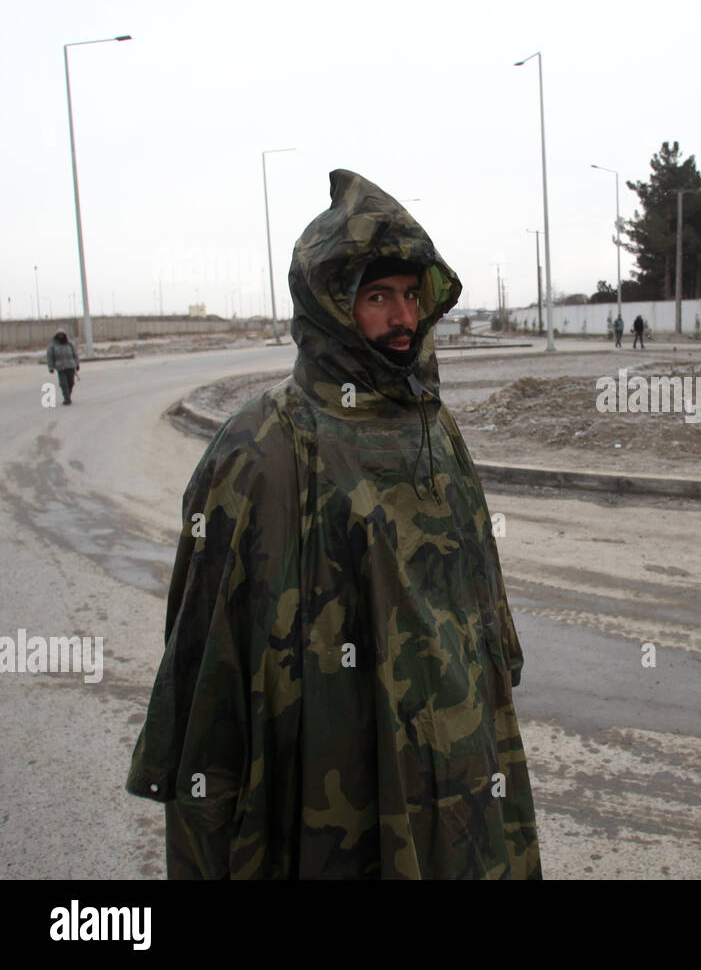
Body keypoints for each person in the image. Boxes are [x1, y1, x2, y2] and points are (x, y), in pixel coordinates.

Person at [126, 170, 541, 879]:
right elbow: (208, 665)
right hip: (326, 798)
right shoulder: (259, 449)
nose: (404, 318)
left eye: (412, 294)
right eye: (378, 297)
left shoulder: (437, 432)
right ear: (331, 304)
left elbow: (481, 618)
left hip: (456, 784)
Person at [46, 330, 80, 405]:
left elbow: (75, 355)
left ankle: (68, 395)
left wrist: (77, 364)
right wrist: (51, 367)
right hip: (60, 368)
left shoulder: (70, 344)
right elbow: (50, 357)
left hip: (70, 366)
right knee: (63, 384)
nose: (61, 337)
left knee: (71, 383)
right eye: (59, 335)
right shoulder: (53, 346)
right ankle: (66, 398)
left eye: (62, 335)